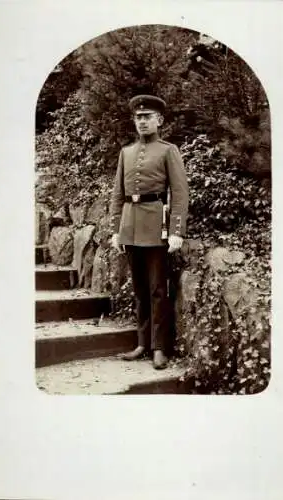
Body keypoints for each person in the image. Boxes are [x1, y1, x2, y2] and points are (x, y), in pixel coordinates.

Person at [110, 94, 189, 369]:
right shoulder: (126, 152)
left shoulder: (168, 150)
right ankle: (143, 342)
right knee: (140, 289)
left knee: (158, 289)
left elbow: (179, 193)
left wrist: (177, 231)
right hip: (130, 227)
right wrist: (116, 229)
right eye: (138, 117)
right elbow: (117, 194)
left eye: (147, 117)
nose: (142, 121)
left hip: (158, 227)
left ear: (159, 120)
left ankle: (159, 347)